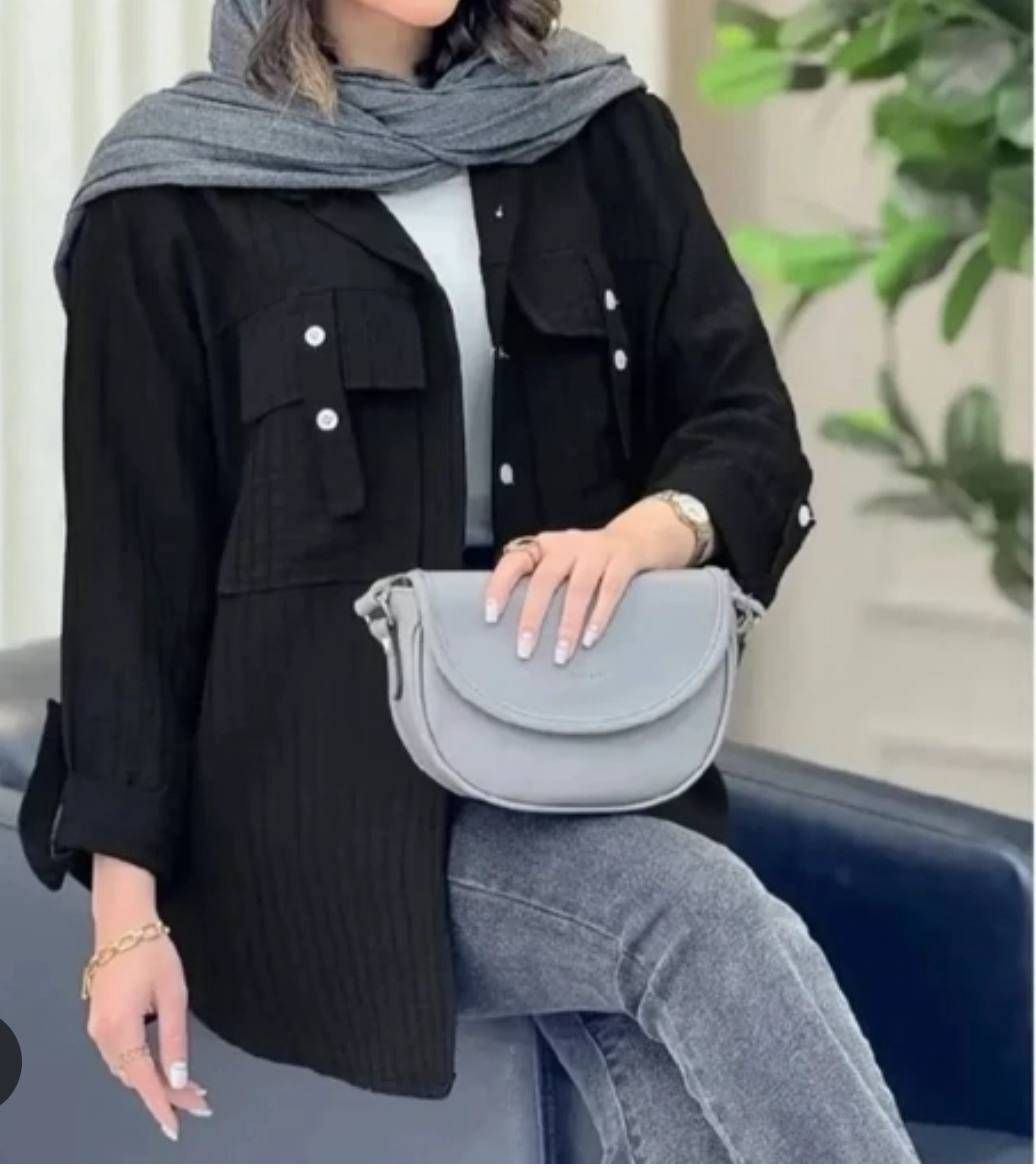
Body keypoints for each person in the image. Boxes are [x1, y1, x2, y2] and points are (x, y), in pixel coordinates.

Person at [17, 0, 920, 1161]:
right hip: (315, 814)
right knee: (692, 916)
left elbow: (745, 423)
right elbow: (131, 578)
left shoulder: (594, 127)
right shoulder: (167, 191)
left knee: (660, 1050)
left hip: (576, 756)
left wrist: (644, 534)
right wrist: (123, 921)